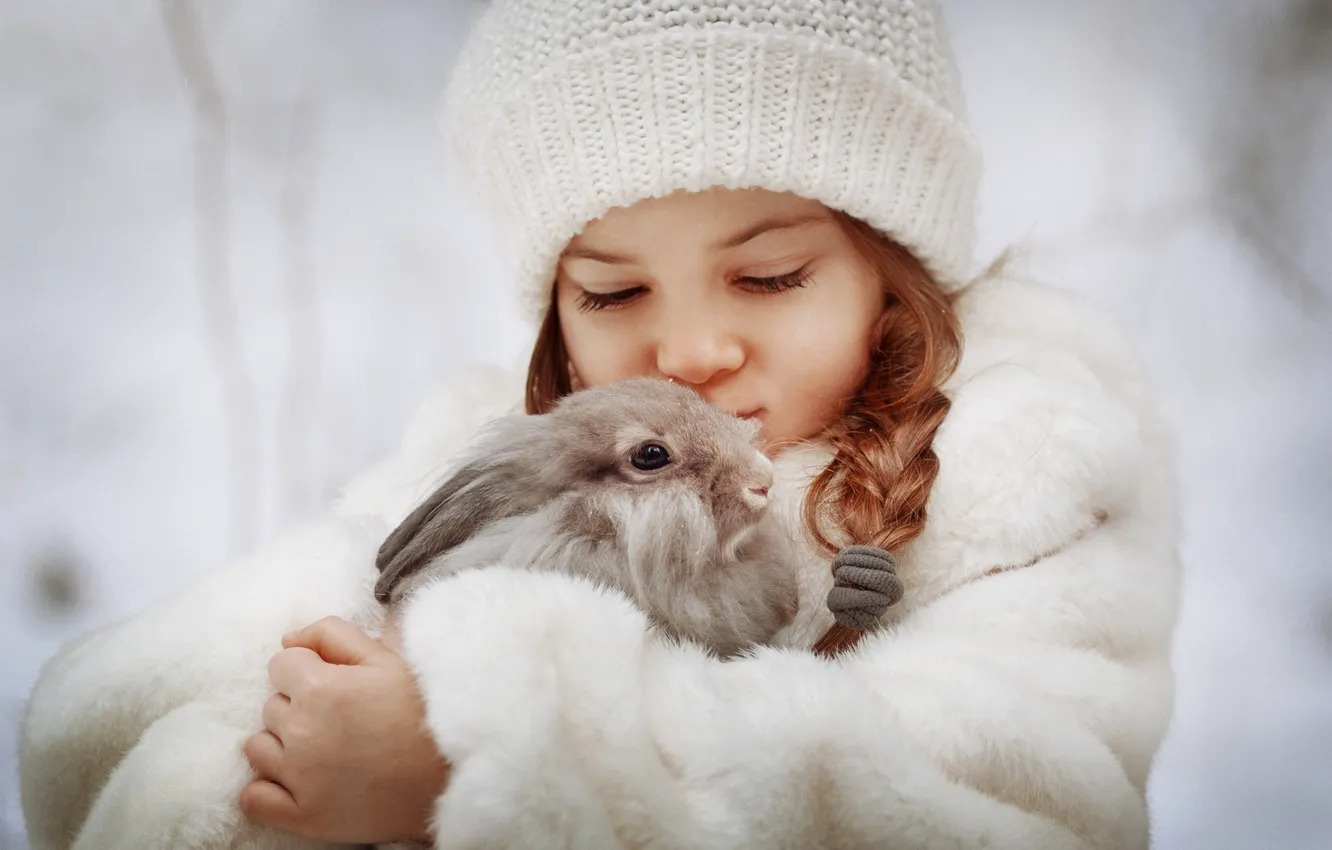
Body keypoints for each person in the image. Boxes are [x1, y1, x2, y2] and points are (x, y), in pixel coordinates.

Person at [18, 1, 1183, 848]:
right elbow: (131, 720)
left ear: (894, 273)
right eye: (615, 293)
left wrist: (477, 757)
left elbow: (1027, 806)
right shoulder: (512, 456)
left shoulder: (1025, 469)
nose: (688, 350)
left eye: (769, 275)